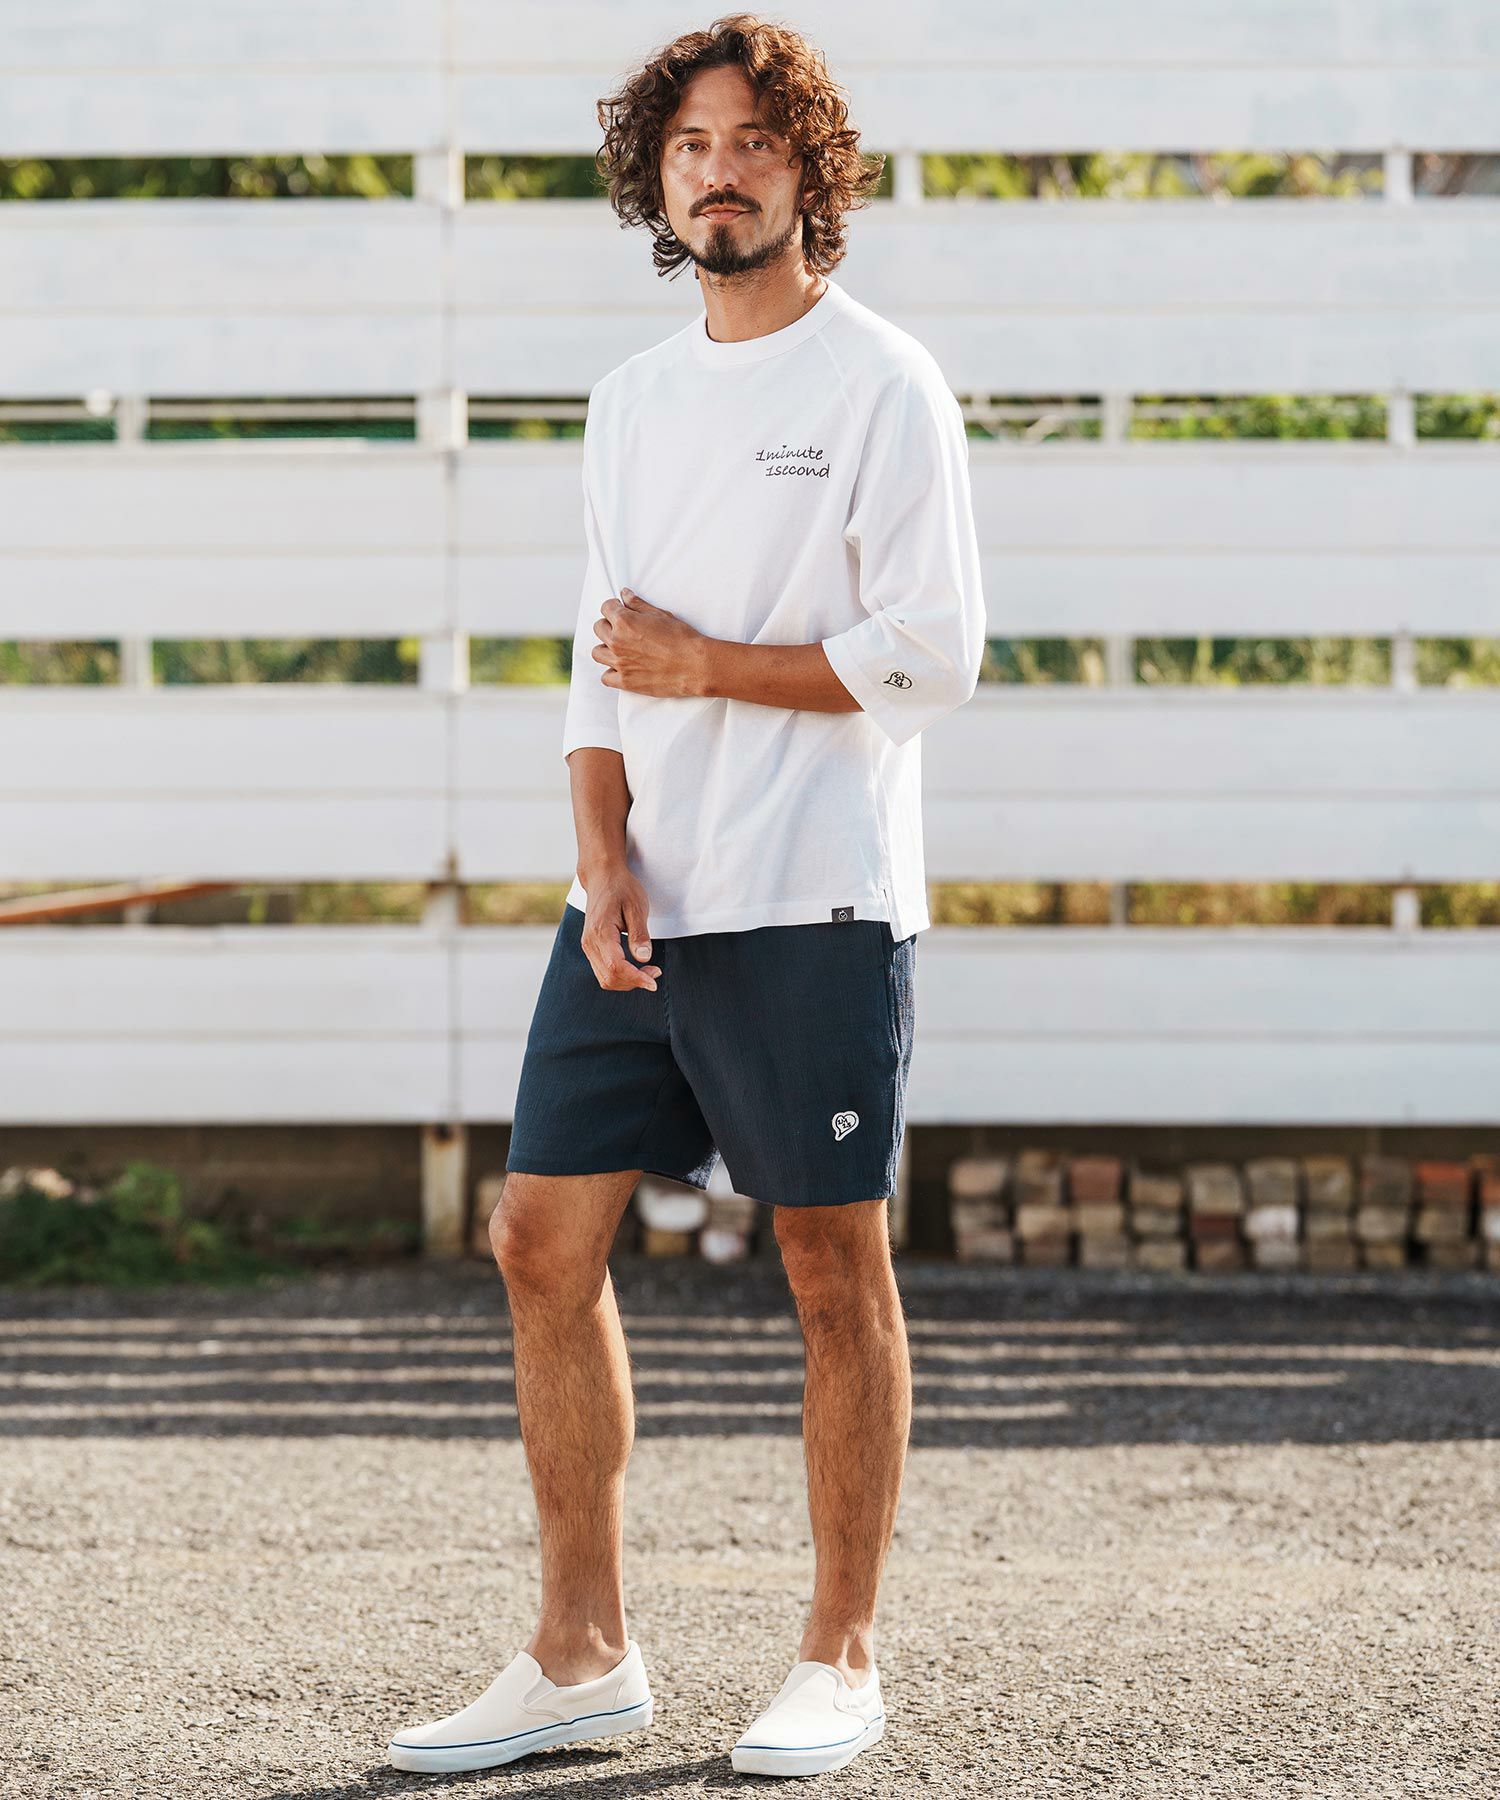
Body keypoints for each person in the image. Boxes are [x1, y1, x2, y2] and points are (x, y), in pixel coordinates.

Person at [387, 12, 985, 1781]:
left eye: (751, 144)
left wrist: (710, 664)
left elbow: (934, 656)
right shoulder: (633, 399)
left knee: (828, 1265)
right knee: (537, 1239)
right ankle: (582, 1653)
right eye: (690, 149)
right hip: (643, 900)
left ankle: (840, 1657)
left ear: (809, 171)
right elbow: (601, 661)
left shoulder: (883, 382)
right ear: (656, 181)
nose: (719, 174)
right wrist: (598, 854)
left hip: (814, 897)